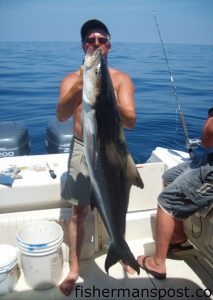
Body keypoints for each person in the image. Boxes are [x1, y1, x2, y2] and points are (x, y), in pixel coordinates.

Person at [56, 19, 137, 296]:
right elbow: (62, 115)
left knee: (117, 204)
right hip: (83, 147)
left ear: (109, 45)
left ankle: (121, 249)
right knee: (78, 212)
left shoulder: (121, 79)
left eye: (102, 40)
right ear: (83, 46)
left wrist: (112, 103)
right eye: (91, 41)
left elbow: (131, 121)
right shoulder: (71, 80)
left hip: (114, 148)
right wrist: (82, 84)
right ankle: (75, 268)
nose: (96, 44)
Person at [137, 92, 213, 279]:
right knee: (169, 177)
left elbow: (208, 138)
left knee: (166, 201)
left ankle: (158, 263)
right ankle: (177, 238)